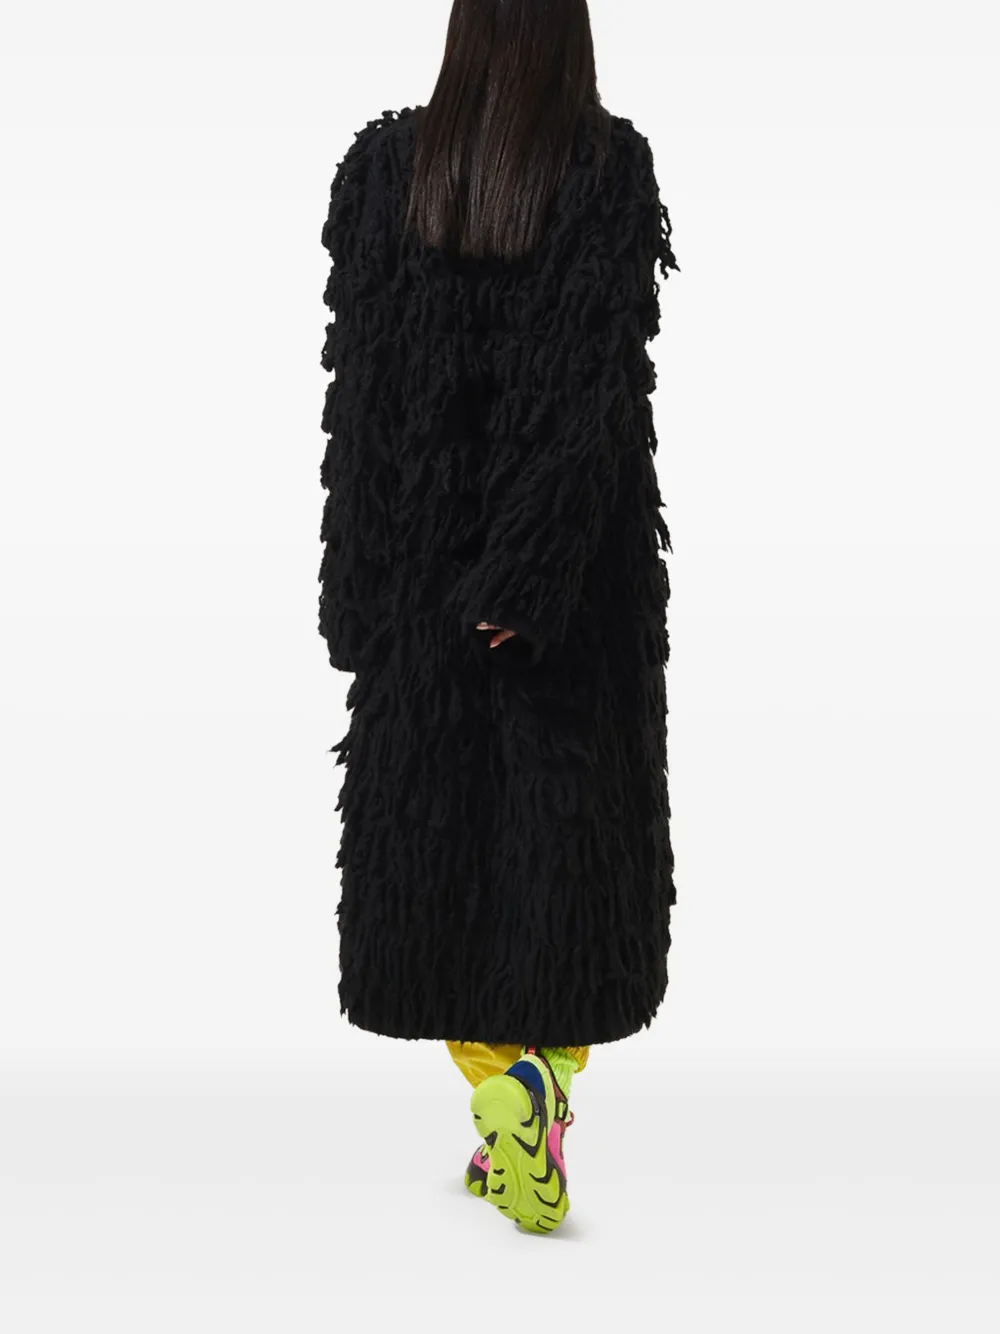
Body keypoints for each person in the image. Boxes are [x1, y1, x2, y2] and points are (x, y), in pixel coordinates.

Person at [318, 0, 679, 1235]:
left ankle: (500, 1106)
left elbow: (359, 398)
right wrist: (528, 578)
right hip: (570, 591)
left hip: (418, 578)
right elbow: (586, 386)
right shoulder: (603, 169)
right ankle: (540, 1091)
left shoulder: (385, 171)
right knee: (570, 874)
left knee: (441, 870)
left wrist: (359, 594)